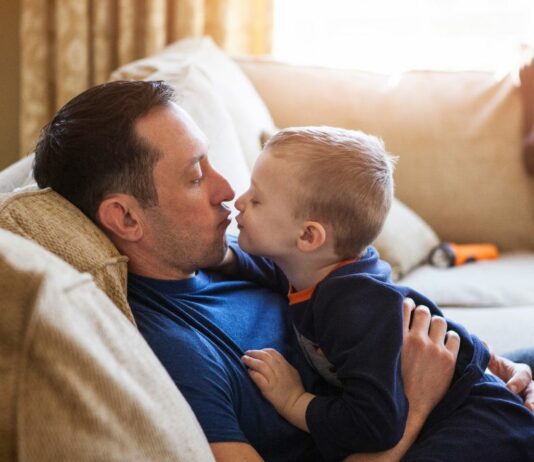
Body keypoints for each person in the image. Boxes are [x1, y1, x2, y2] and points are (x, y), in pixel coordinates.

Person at [31, 80, 534, 462]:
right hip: (421, 419)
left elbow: (374, 292)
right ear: (125, 217)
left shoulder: (223, 252)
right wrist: (420, 401)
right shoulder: (175, 351)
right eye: (195, 175)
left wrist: (483, 359)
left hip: (445, 380)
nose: (226, 190)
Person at [229, 126, 534, 461]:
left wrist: (294, 401)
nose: (239, 202)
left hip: (480, 419)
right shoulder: (321, 268)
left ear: (308, 237)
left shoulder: (350, 308)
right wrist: (223, 257)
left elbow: (376, 425)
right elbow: (271, 269)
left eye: (256, 199)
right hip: (468, 402)